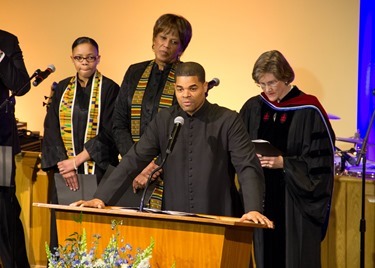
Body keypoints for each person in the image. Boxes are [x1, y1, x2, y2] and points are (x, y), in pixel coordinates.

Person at [72, 62, 273, 266]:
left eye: (192, 88)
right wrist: (100, 198)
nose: (186, 95)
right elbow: (134, 158)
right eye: (180, 89)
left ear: (204, 87)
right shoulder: (165, 120)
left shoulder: (228, 120)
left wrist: (254, 208)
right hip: (176, 222)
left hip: (219, 219)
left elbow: (247, 166)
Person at [239, 50, 335, 268]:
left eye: (271, 83)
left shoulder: (309, 109)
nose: (267, 90)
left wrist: (285, 164)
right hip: (263, 197)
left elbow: (321, 164)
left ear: (285, 77)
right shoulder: (254, 107)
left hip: (294, 203)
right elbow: (238, 146)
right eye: (261, 84)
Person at [41, 36, 120, 249]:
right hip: (65, 173)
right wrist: (65, 165)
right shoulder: (62, 89)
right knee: (64, 232)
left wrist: (77, 161)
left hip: (96, 172)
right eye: (79, 58)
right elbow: (51, 128)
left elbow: (110, 131)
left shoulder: (110, 89)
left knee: (94, 234)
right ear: (72, 59)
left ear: (98, 59)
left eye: (90, 57)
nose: (84, 62)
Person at [111, 14, 192, 207]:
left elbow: (187, 131)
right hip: (131, 170)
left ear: (181, 48)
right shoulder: (134, 72)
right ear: (154, 40)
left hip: (169, 174)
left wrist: (153, 167)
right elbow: (119, 123)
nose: (166, 45)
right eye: (162, 38)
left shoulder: (187, 79)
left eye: (174, 41)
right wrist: (137, 164)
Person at [0, 29, 30, 267]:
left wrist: (1, 58)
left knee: (4, 205)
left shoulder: (7, 41)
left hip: (1, 143)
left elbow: (21, 86)